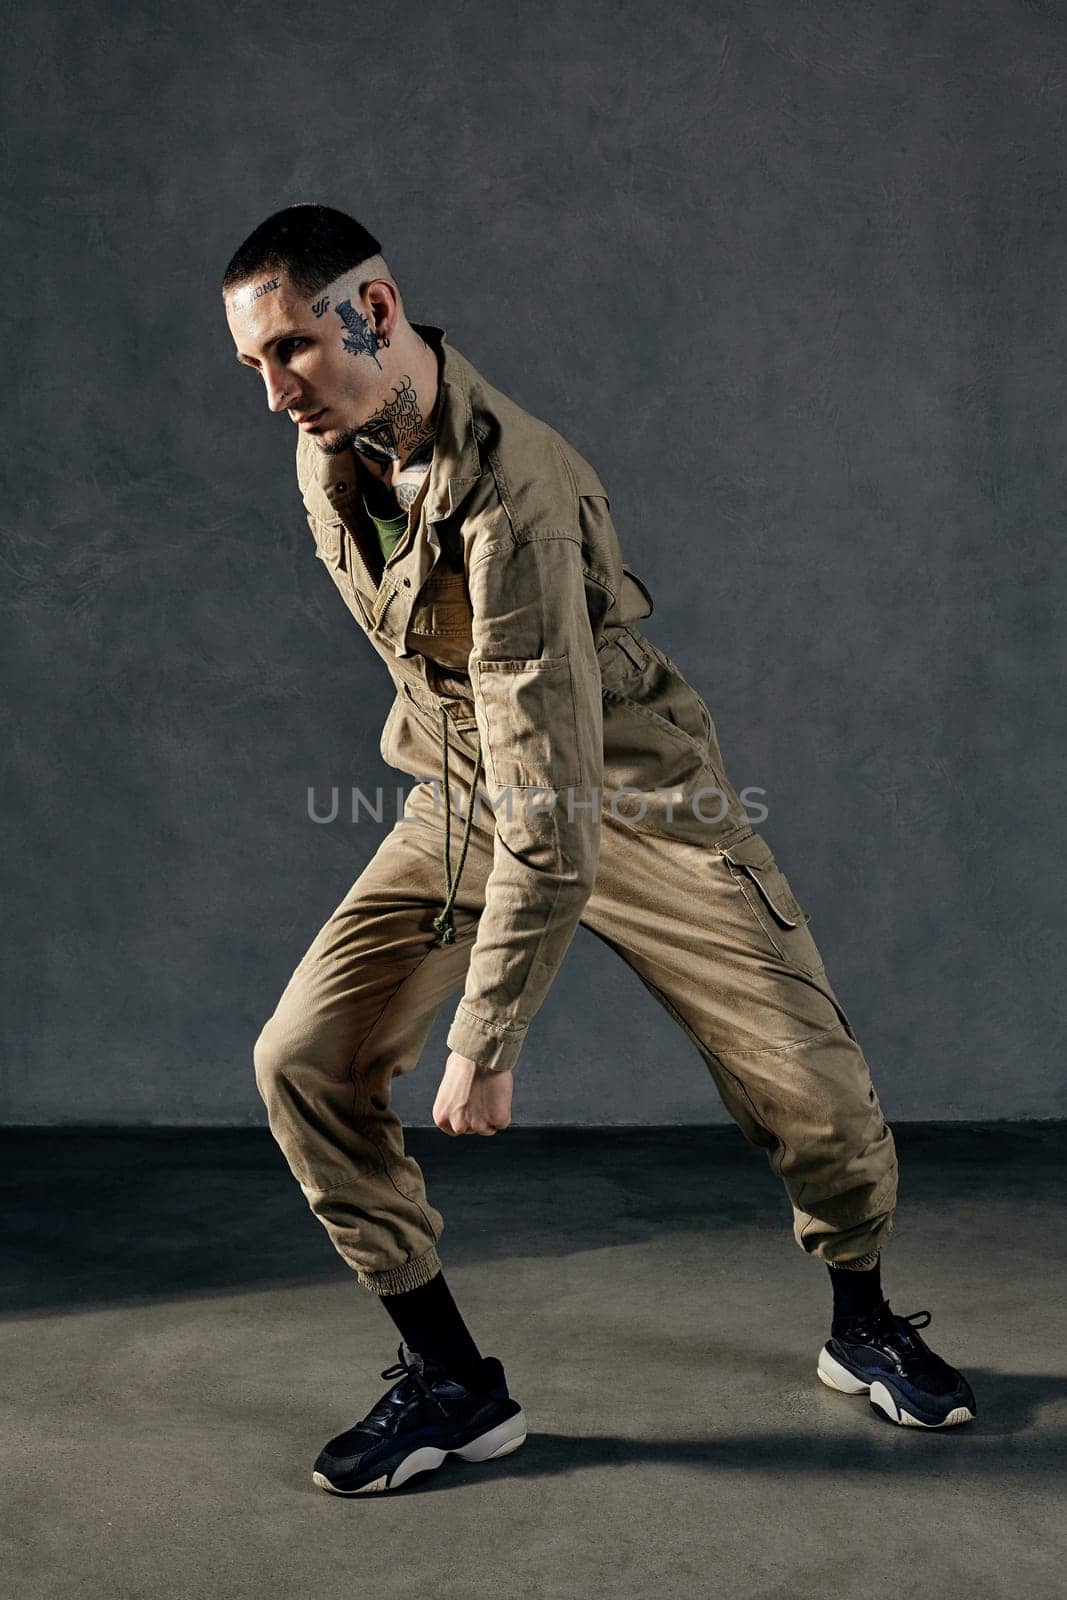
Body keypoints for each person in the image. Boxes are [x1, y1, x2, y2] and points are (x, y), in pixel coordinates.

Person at [221, 203, 976, 1495]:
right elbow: (480, 738)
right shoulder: (332, 451)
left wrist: (486, 1037)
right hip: (463, 798)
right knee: (301, 1061)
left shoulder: (520, 493)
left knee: (819, 1099)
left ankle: (862, 1321)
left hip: (631, 804)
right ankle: (454, 1386)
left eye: (293, 347)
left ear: (377, 311)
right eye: (253, 367)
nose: (277, 389)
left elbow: (558, 803)